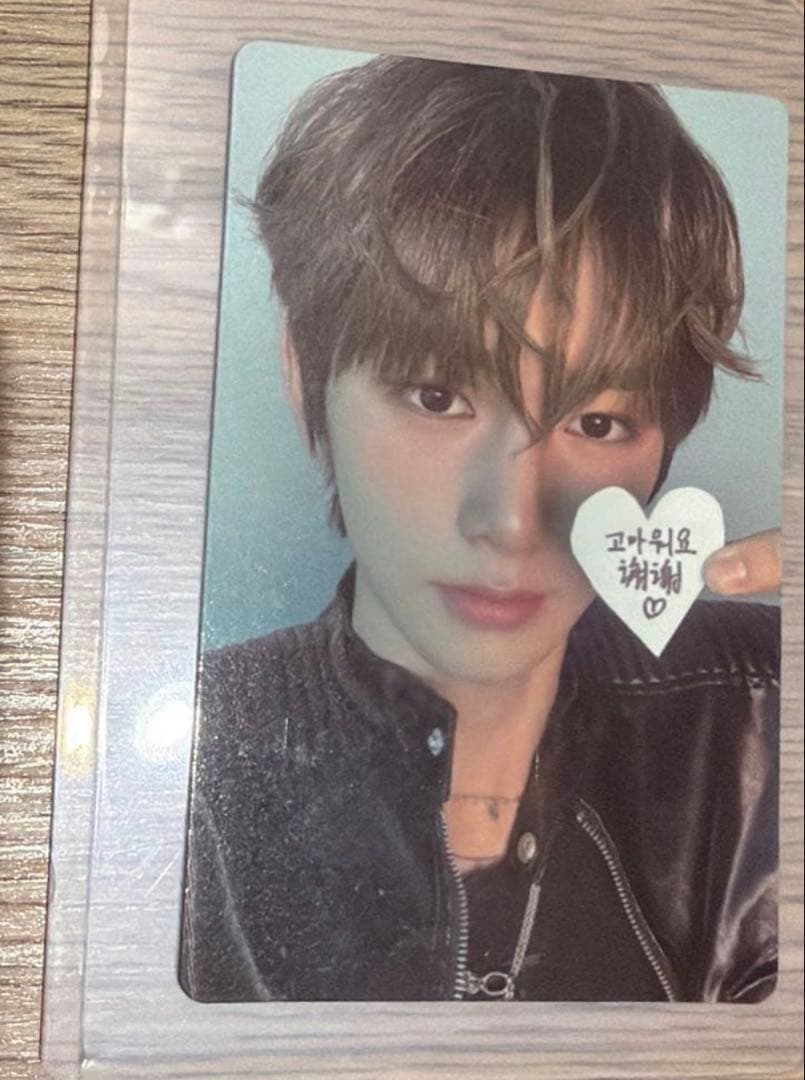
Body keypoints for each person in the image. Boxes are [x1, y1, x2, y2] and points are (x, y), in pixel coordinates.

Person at [179, 56, 780, 1003]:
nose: (508, 520)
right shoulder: (181, 772)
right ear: (305, 379)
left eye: (597, 422)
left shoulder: (756, 709)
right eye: (436, 396)